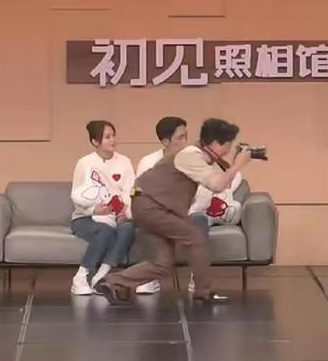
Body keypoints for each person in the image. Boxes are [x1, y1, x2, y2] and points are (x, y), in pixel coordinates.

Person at [96, 118, 253, 304]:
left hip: (151, 206)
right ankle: (204, 292)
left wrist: (233, 163)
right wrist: (238, 164)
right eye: (227, 145)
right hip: (151, 206)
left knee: (162, 263)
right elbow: (217, 185)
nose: (228, 149)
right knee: (195, 236)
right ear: (216, 143)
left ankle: (112, 282)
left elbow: (219, 180)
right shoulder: (191, 156)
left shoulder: (201, 157)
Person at [132, 116, 208, 295]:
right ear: (165, 141)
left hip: (186, 212)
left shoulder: (193, 159)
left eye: (186, 136)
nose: (185, 142)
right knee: (146, 223)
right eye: (180, 138)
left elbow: (204, 194)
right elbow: (136, 192)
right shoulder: (148, 162)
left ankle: (197, 277)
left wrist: (186, 212)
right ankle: (148, 278)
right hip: (158, 215)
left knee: (199, 221)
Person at [69, 120, 136, 295]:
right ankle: (81, 277)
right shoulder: (85, 163)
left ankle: (101, 276)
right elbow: (78, 194)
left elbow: (130, 191)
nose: (112, 140)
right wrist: (94, 210)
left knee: (127, 229)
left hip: (116, 216)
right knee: (105, 231)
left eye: (113, 135)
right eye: (107, 137)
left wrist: (126, 212)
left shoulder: (124, 161)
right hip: (85, 218)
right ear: (95, 141)